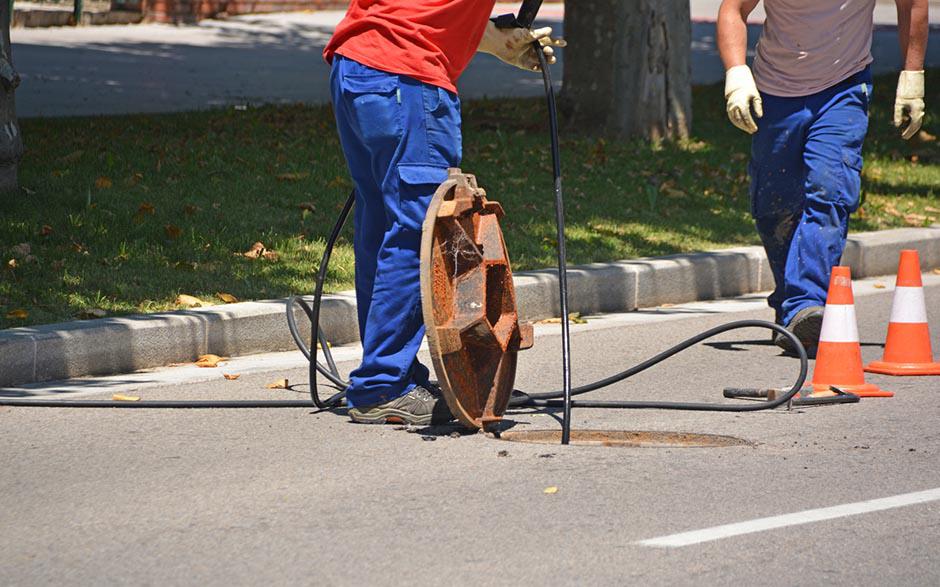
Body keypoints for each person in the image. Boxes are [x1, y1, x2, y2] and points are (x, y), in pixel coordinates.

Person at [322, 2, 565, 424]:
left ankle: (392, 374)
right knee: (421, 233)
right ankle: (382, 384)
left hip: (359, 68)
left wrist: (491, 37)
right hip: (407, 77)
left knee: (384, 229)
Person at [717, 0, 928, 353]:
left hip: (843, 89)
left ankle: (806, 304)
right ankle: (792, 309)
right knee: (775, 206)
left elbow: (912, 4)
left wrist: (913, 75)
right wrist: (736, 74)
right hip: (775, 92)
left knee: (829, 191)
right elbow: (732, 10)